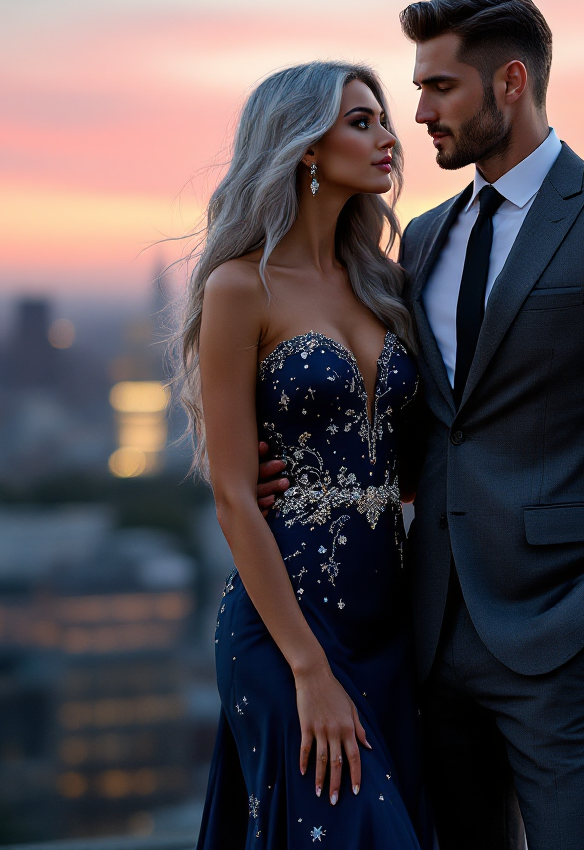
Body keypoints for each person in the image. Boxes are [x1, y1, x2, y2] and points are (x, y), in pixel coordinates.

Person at [259, 0, 584, 850]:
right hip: (429, 644)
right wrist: (291, 459)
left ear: (510, 82)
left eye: (440, 87)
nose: (418, 113)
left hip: (568, 647)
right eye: (417, 88)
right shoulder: (427, 236)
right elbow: (426, 424)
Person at [182, 62, 432, 849]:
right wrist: (308, 670)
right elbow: (231, 497)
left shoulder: (390, 284)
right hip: (284, 630)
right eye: (361, 121)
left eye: (383, 118)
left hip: (389, 628)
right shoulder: (239, 288)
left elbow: (425, 455)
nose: (390, 136)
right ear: (303, 147)